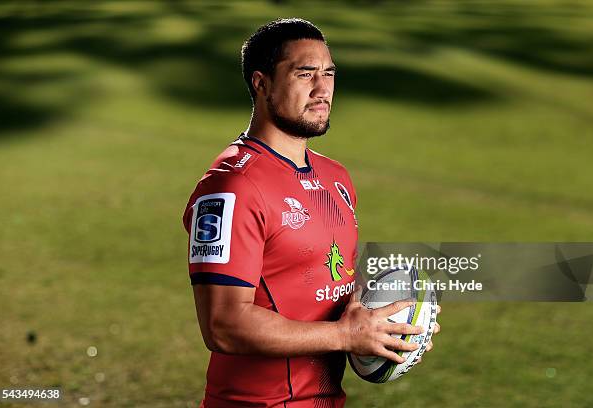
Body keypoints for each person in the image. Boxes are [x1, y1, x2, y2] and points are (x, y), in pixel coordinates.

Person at [182, 18, 440, 407]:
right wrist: (346, 336)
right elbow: (224, 325)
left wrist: (391, 325)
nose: (322, 90)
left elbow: (323, 285)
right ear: (261, 83)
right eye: (305, 74)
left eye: (329, 74)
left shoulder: (335, 178)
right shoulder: (231, 188)